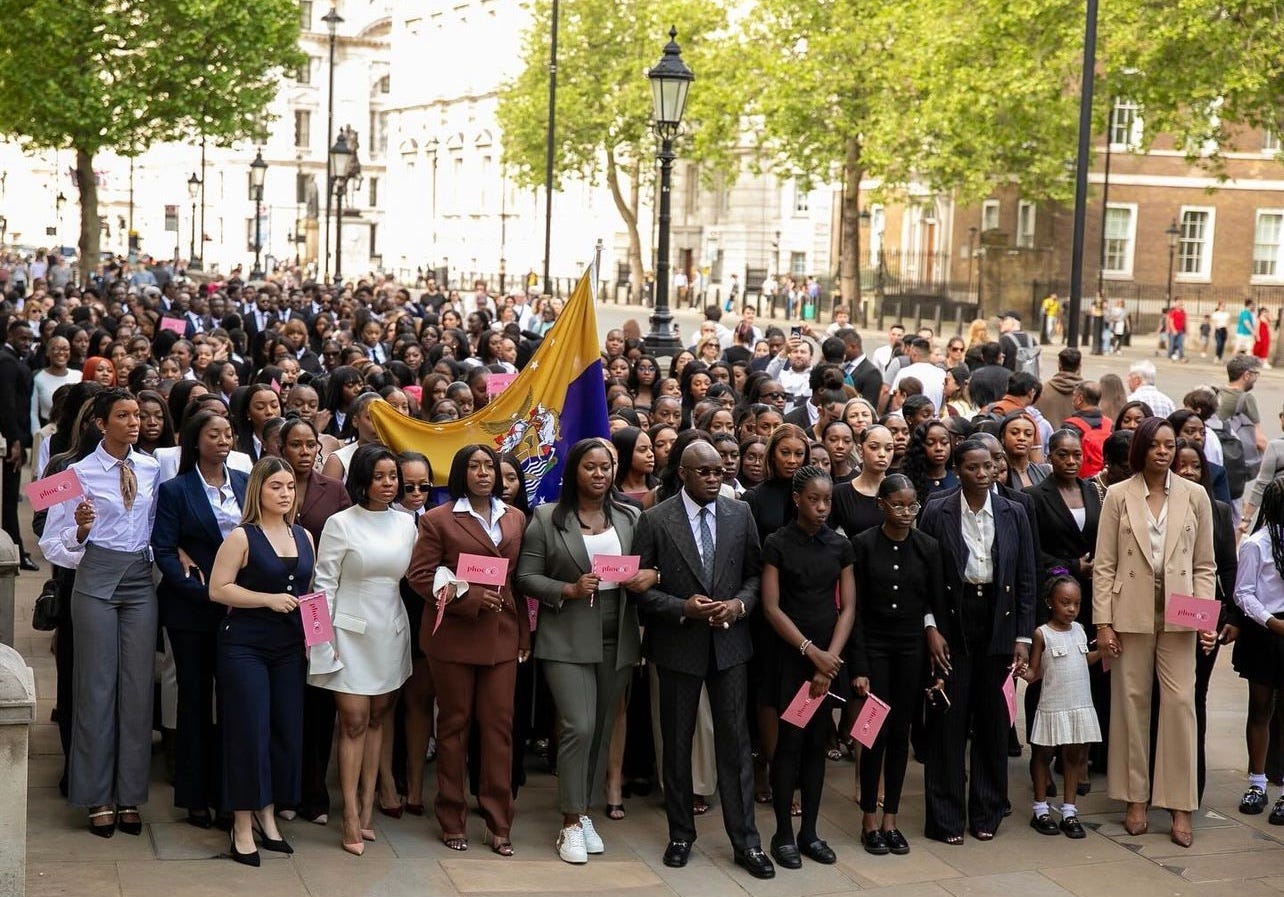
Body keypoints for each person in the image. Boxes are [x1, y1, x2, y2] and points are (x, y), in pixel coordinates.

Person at [633, 440, 775, 880]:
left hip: (730, 645)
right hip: (679, 645)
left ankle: (746, 841)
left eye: (719, 471)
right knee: (677, 743)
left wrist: (739, 605)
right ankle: (681, 834)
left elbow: (754, 574)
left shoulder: (740, 514)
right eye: (706, 472)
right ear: (685, 475)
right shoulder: (656, 519)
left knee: (734, 742)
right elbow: (639, 588)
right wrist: (681, 608)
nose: (716, 478)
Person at [515, 438, 651, 864]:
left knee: (605, 726)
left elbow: (650, 563)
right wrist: (568, 589)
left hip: (619, 631)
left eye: (606, 467)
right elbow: (526, 576)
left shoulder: (630, 514)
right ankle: (570, 822)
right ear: (575, 470)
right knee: (579, 724)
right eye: (591, 467)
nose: (599, 474)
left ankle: (586, 809)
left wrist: (650, 574)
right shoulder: (546, 518)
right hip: (567, 632)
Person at [39, 388, 162, 837]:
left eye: (139, 416)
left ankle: (129, 794)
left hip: (139, 581)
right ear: (100, 422)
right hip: (93, 578)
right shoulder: (76, 472)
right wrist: (81, 531)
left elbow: (153, 528)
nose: (136, 422)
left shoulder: (151, 467)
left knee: (135, 688)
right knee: (95, 686)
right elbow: (51, 541)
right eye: (125, 416)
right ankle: (95, 797)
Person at [1093, 416, 1217, 848]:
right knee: (1131, 703)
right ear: (1142, 449)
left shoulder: (1196, 496)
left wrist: (1205, 621)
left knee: (1181, 704)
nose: (1164, 452)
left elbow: (1205, 566)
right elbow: (1104, 564)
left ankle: (1180, 805)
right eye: (1156, 445)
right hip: (1130, 612)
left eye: (1170, 445)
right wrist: (1103, 622)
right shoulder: (1117, 496)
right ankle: (1134, 798)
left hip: (1181, 615)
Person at [407, 444, 529, 855]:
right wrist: (470, 598)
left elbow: (517, 581)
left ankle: (498, 821)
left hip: (502, 636)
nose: (483, 473)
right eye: (475, 467)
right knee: (454, 727)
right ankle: (451, 816)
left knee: (499, 728)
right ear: (461, 473)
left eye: (489, 467)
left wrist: (524, 636)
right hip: (454, 638)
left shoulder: (516, 517)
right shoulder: (439, 519)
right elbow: (420, 576)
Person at [918, 438, 1037, 844]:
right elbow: (926, 575)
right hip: (953, 620)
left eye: (989, 466)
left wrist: (1022, 636)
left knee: (992, 720)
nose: (983, 474)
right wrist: (930, 626)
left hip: (999, 622)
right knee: (948, 720)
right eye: (973, 467)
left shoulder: (1014, 511)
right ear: (958, 470)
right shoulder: (937, 510)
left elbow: (1026, 577)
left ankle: (986, 811)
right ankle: (946, 818)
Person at [308, 445, 415, 854]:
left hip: (390, 628)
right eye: (381, 476)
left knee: (377, 719)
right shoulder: (340, 523)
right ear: (363, 480)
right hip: (346, 632)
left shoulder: (406, 523)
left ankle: (368, 809)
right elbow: (323, 586)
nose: (389, 484)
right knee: (353, 719)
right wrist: (321, 643)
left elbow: (415, 573)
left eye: (394, 477)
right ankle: (348, 814)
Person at [208, 457, 315, 866]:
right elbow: (218, 590)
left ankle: (268, 815)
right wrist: (267, 600)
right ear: (259, 490)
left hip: (289, 648)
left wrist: (317, 634)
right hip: (245, 646)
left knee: (284, 730)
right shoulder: (241, 536)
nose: (285, 493)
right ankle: (240, 824)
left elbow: (309, 590)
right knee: (248, 731)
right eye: (276, 486)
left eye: (289, 486)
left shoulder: (304, 535)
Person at [151, 410, 247, 829]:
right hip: (191, 607)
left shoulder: (245, 484)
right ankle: (193, 795)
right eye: (214, 434)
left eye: (228, 433)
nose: (223, 440)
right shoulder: (176, 490)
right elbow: (165, 548)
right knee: (194, 698)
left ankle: (229, 796)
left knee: (232, 701)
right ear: (196, 440)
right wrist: (203, 591)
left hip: (240, 608)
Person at [759, 466, 855, 869]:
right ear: (797, 499)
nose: (821, 507)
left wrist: (829, 661)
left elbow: (848, 606)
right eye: (813, 499)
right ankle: (782, 832)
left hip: (828, 662)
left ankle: (810, 833)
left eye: (827, 500)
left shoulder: (839, 546)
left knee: (818, 744)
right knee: (788, 746)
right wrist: (810, 652)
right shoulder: (778, 543)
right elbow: (770, 606)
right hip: (790, 657)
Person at [847, 474, 943, 855]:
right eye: (898, 505)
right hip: (874, 647)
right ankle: (869, 817)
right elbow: (854, 612)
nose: (906, 512)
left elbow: (933, 604)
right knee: (874, 732)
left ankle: (891, 819)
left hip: (910, 648)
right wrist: (858, 666)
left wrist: (933, 636)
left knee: (901, 732)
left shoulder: (928, 547)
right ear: (881, 506)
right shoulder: (863, 546)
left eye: (912, 505)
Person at [278, 417, 351, 823]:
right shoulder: (273, 485)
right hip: (278, 600)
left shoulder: (335, 490)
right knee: (287, 700)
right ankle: (286, 792)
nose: (305, 452)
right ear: (282, 449)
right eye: (296, 445)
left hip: (320, 604)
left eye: (311, 445)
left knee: (320, 699)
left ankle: (314, 794)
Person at [1022, 576, 1102, 838]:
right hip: (1052, 705)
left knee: (1074, 758)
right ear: (1050, 603)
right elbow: (1035, 672)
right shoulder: (1041, 634)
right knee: (1043, 755)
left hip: (1078, 704)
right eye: (1065, 602)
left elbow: (1083, 659)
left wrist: (1102, 652)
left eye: (1076, 604)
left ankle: (1069, 811)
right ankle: (1041, 808)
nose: (1071, 609)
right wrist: (1021, 671)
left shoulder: (1080, 629)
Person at [1233, 480, 1284, 820]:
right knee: (1260, 708)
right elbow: (1243, 592)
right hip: (1267, 632)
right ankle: (1257, 782)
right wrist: (1271, 622)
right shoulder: (1257, 544)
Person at [0, 317, 37, 570]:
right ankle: (15, 550)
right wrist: (14, 440)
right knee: (9, 499)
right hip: (11, 439)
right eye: (22, 338)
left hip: (18, 436)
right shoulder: (6, 362)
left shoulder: (13, 360)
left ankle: (16, 548)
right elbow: (7, 405)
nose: (26, 343)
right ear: (10, 336)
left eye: (29, 339)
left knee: (11, 498)